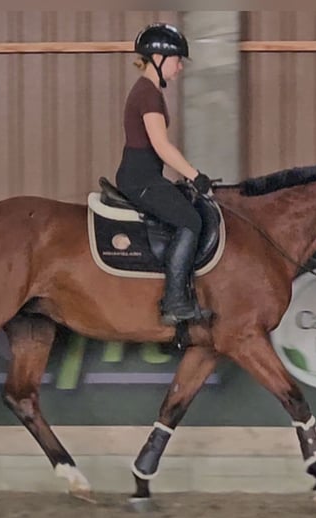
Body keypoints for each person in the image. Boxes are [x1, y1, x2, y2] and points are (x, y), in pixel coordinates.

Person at [115, 22, 213, 326]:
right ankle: (174, 302)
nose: (180, 67)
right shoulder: (148, 94)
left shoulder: (149, 91)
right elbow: (161, 145)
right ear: (157, 58)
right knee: (190, 220)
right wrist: (195, 175)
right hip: (140, 180)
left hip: (145, 176)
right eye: (177, 60)